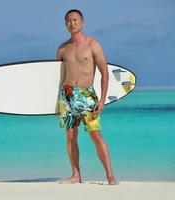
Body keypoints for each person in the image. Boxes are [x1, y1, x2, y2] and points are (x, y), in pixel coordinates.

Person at [56, 9, 119, 185]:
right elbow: (56, 77)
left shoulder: (93, 44)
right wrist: (55, 104)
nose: (72, 23)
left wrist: (102, 99)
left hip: (87, 94)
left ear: (83, 22)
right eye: (68, 21)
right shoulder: (62, 49)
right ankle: (76, 175)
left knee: (95, 135)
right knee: (70, 136)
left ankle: (110, 175)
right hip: (67, 95)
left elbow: (104, 73)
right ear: (65, 24)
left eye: (75, 20)